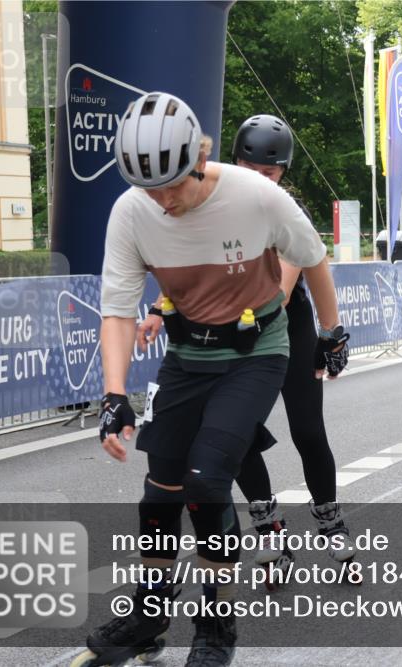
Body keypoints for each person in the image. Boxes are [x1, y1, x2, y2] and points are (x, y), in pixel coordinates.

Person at [85, 92, 346, 667]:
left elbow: (313, 257)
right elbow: (117, 310)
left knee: (206, 482)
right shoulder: (131, 212)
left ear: (199, 159)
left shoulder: (257, 196)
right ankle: (150, 614)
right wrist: (113, 395)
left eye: (172, 185)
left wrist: (331, 333)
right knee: (161, 490)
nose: (163, 200)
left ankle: (217, 624)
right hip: (188, 355)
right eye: (148, 188)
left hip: (256, 353)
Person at [137, 113, 355, 582]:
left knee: (307, 430)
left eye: (269, 173)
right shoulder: (212, 201)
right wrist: (158, 307)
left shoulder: (283, 207)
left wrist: (329, 334)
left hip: (281, 324)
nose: (259, 179)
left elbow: (285, 283)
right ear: (233, 162)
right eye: (249, 169)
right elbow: (187, 265)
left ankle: (331, 522)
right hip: (229, 326)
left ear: (283, 172)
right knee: (235, 434)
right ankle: (269, 525)